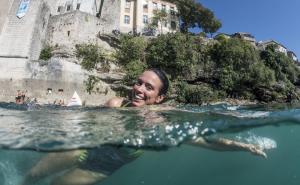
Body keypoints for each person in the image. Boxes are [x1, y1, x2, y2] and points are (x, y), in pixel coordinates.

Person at [22, 69, 267, 185]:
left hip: (102, 167)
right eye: (139, 82)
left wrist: (243, 146)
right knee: (34, 175)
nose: (139, 89)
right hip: (82, 148)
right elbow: (82, 120)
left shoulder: (162, 124)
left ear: (160, 98)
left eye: (148, 87)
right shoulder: (115, 103)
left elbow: (207, 142)